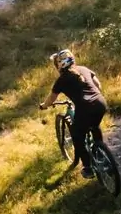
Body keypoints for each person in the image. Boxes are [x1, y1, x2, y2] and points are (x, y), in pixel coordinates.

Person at [40, 48, 108, 177]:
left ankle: (88, 168)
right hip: (100, 103)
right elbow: (98, 85)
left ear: (59, 65)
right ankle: (101, 154)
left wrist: (44, 106)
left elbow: (51, 99)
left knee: (77, 136)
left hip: (85, 108)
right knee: (94, 125)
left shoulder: (62, 80)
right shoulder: (83, 69)